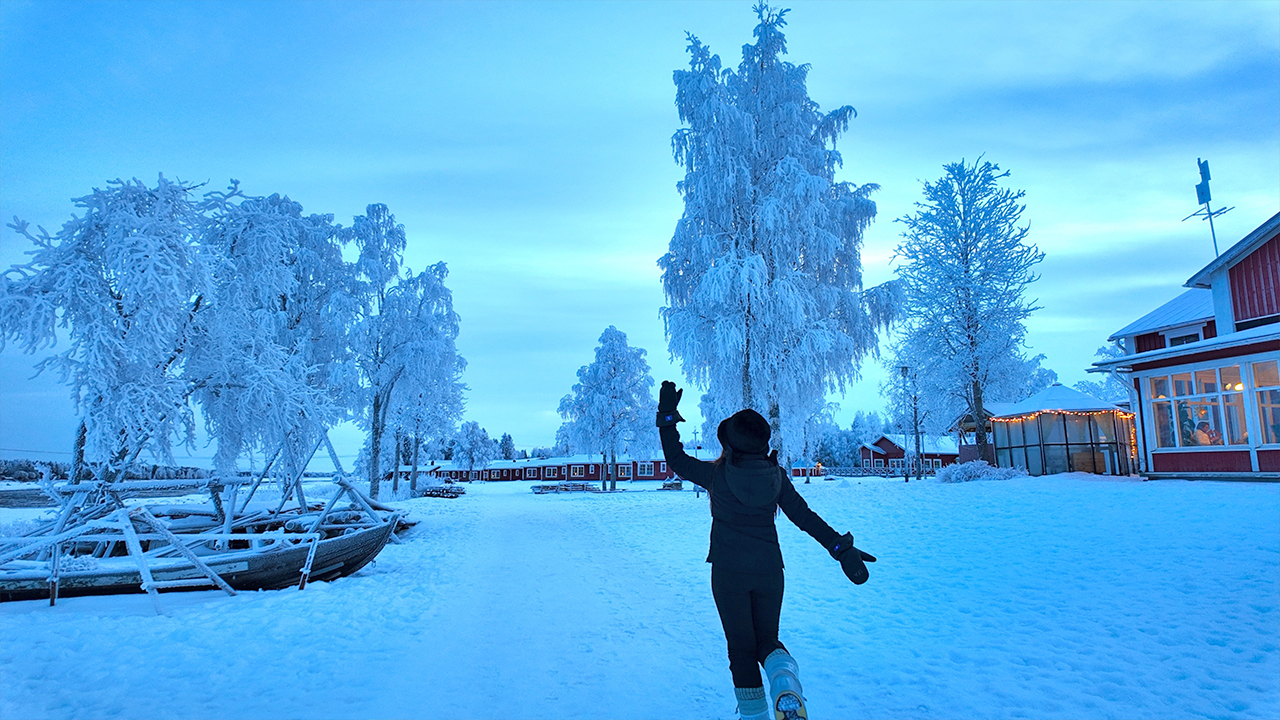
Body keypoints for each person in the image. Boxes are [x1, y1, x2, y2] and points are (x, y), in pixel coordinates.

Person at [656, 381, 876, 720]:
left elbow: (675, 458)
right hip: (770, 572)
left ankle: (754, 715)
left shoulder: (716, 475)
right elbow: (805, 517)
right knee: (767, 639)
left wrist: (668, 415)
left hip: (729, 573)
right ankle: (784, 679)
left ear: (729, 443)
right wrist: (840, 548)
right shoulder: (777, 477)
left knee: (741, 651)